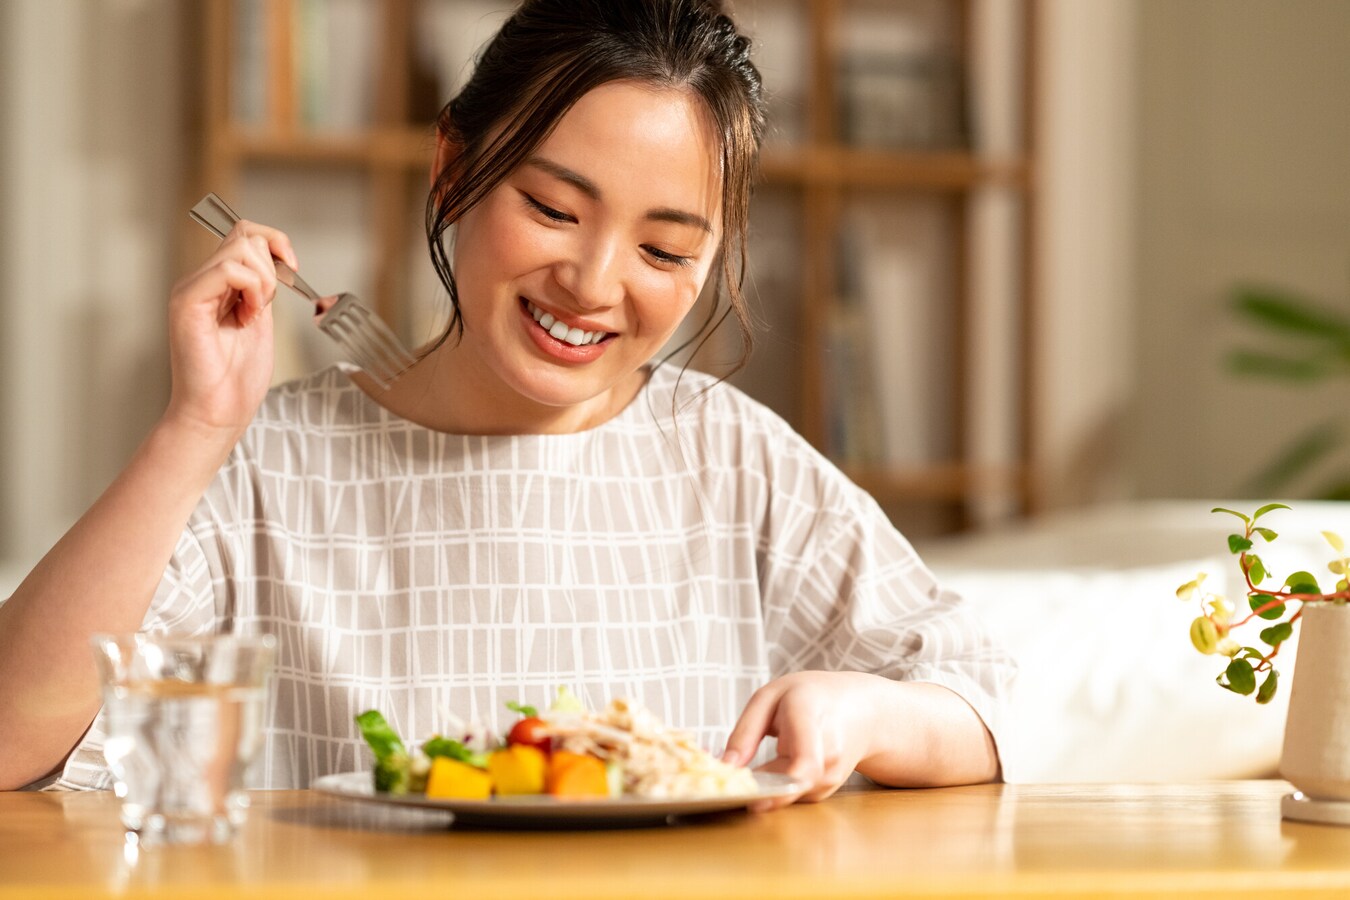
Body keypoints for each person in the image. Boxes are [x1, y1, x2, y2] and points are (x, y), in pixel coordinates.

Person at [0, 0, 1012, 803]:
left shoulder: (736, 461)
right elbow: (10, 739)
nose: (594, 283)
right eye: (552, 208)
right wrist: (197, 428)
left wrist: (866, 713)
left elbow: (985, 701)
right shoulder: (268, 464)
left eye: (665, 250)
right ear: (454, 169)